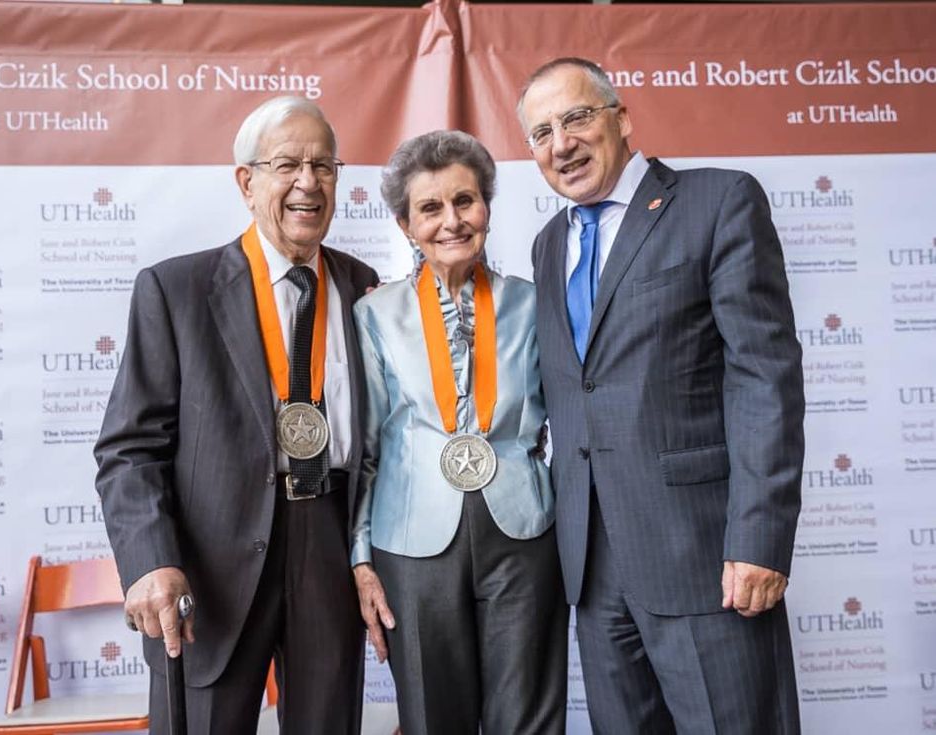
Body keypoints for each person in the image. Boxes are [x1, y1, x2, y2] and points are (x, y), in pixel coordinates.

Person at [518, 57, 805, 734]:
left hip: (705, 559)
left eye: (577, 117)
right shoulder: (546, 243)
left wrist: (760, 537)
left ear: (623, 119)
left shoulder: (719, 200)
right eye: (540, 132)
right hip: (592, 572)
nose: (560, 142)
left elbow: (765, 375)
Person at [94, 95, 378, 734]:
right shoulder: (175, 290)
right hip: (208, 566)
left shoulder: (366, 288)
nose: (308, 183)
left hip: (329, 546)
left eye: (324, 166)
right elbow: (129, 449)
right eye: (288, 165)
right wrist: (149, 561)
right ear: (247, 183)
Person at [350, 130, 567, 735]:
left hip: (523, 531)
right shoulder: (373, 315)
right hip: (411, 540)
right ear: (405, 224)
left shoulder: (536, 303)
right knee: (431, 719)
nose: (452, 221)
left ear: (487, 208)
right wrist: (361, 558)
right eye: (430, 208)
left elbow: (570, 419)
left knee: (528, 718)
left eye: (465, 201)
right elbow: (365, 450)